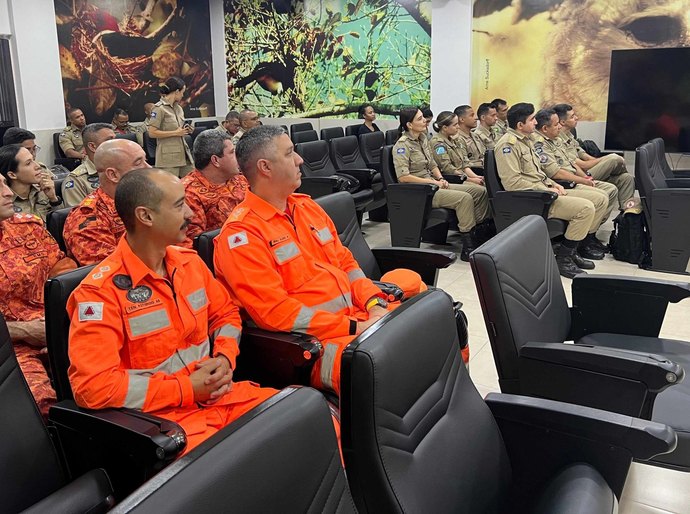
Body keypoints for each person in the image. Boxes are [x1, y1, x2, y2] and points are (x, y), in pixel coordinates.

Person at [67, 168, 277, 453]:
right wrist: (186, 389)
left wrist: (225, 357)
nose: (191, 213)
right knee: (254, 470)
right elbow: (92, 387)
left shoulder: (189, 263)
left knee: (314, 422)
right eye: (180, 205)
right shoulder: (99, 293)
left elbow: (225, 315)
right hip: (167, 424)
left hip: (222, 398)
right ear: (146, 216)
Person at [214, 125, 426, 396]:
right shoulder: (241, 235)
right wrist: (355, 326)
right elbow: (276, 313)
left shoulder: (306, 207)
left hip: (357, 317)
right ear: (265, 167)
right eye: (290, 153)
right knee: (403, 364)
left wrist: (374, 303)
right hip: (314, 345)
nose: (300, 160)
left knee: (435, 326)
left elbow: (347, 264)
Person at [494, 103, 605, 279]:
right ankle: (564, 259)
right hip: (533, 199)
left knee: (595, 201)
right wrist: (546, 188)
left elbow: (537, 172)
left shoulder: (527, 140)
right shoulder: (508, 145)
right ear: (520, 125)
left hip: (543, 191)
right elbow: (513, 183)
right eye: (531, 120)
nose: (535, 123)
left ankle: (572, 250)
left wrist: (552, 183)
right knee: (585, 208)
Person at [0, 172, 77, 418]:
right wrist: (25, 331)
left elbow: (64, 276)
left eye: (4, 183)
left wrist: (58, 327)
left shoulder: (27, 227)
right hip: (10, 347)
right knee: (40, 406)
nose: (9, 192)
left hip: (55, 326)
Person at [394, 107, 485, 260]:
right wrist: (431, 181)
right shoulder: (402, 146)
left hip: (433, 183)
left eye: (423, 117)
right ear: (409, 125)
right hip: (421, 191)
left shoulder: (422, 139)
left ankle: (480, 231)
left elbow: (432, 164)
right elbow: (403, 177)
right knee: (464, 198)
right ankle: (468, 245)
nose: (425, 121)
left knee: (480, 192)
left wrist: (440, 178)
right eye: (420, 119)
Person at [532, 108, 617, 253]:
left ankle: (587, 238)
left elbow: (572, 163)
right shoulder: (538, 144)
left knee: (607, 191)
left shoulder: (556, 139)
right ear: (545, 128)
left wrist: (584, 178)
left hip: (564, 182)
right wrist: (580, 181)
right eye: (556, 124)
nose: (560, 127)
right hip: (557, 185)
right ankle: (572, 250)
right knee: (594, 201)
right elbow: (555, 173)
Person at [64, 139, 150, 265]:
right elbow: (114, 270)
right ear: (113, 175)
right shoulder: (88, 218)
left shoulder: (149, 199)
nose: (149, 168)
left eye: (145, 161)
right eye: (138, 163)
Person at [553, 103, 635, 210]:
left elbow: (586, 157)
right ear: (563, 122)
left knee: (627, 178)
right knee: (615, 158)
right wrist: (606, 160)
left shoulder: (570, 136)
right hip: (580, 176)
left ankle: (627, 216)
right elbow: (582, 165)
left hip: (588, 171)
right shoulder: (557, 139)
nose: (576, 118)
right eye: (572, 117)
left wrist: (605, 164)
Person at [180, 130, 248, 248]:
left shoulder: (240, 179)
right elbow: (193, 245)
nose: (238, 156)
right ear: (215, 160)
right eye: (232, 152)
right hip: (220, 256)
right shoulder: (189, 193)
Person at [0, 144, 63, 221]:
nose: (37, 166)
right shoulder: (5, 203)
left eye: (33, 160)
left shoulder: (43, 191)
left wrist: (53, 199)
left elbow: (62, 225)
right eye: (28, 163)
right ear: (12, 175)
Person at [148, 77, 194, 177]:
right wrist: (175, 133)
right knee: (170, 189)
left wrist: (187, 129)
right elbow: (151, 133)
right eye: (182, 92)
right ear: (177, 91)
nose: (183, 95)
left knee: (192, 183)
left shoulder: (179, 108)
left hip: (184, 155)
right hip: (168, 159)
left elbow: (180, 128)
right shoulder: (158, 109)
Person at [63, 123, 115, 207]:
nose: (116, 144)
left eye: (115, 140)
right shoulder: (77, 180)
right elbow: (78, 217)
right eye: (109, 141)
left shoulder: (122, 169)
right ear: (93, 147)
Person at [454, 105, 486, 174]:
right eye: (471, 116)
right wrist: (482, 162)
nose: (476, 118)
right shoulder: (457, 139)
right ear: (461, 119)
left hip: (483, 170)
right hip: (471, 172)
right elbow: (463, 163)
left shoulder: (475, 136)